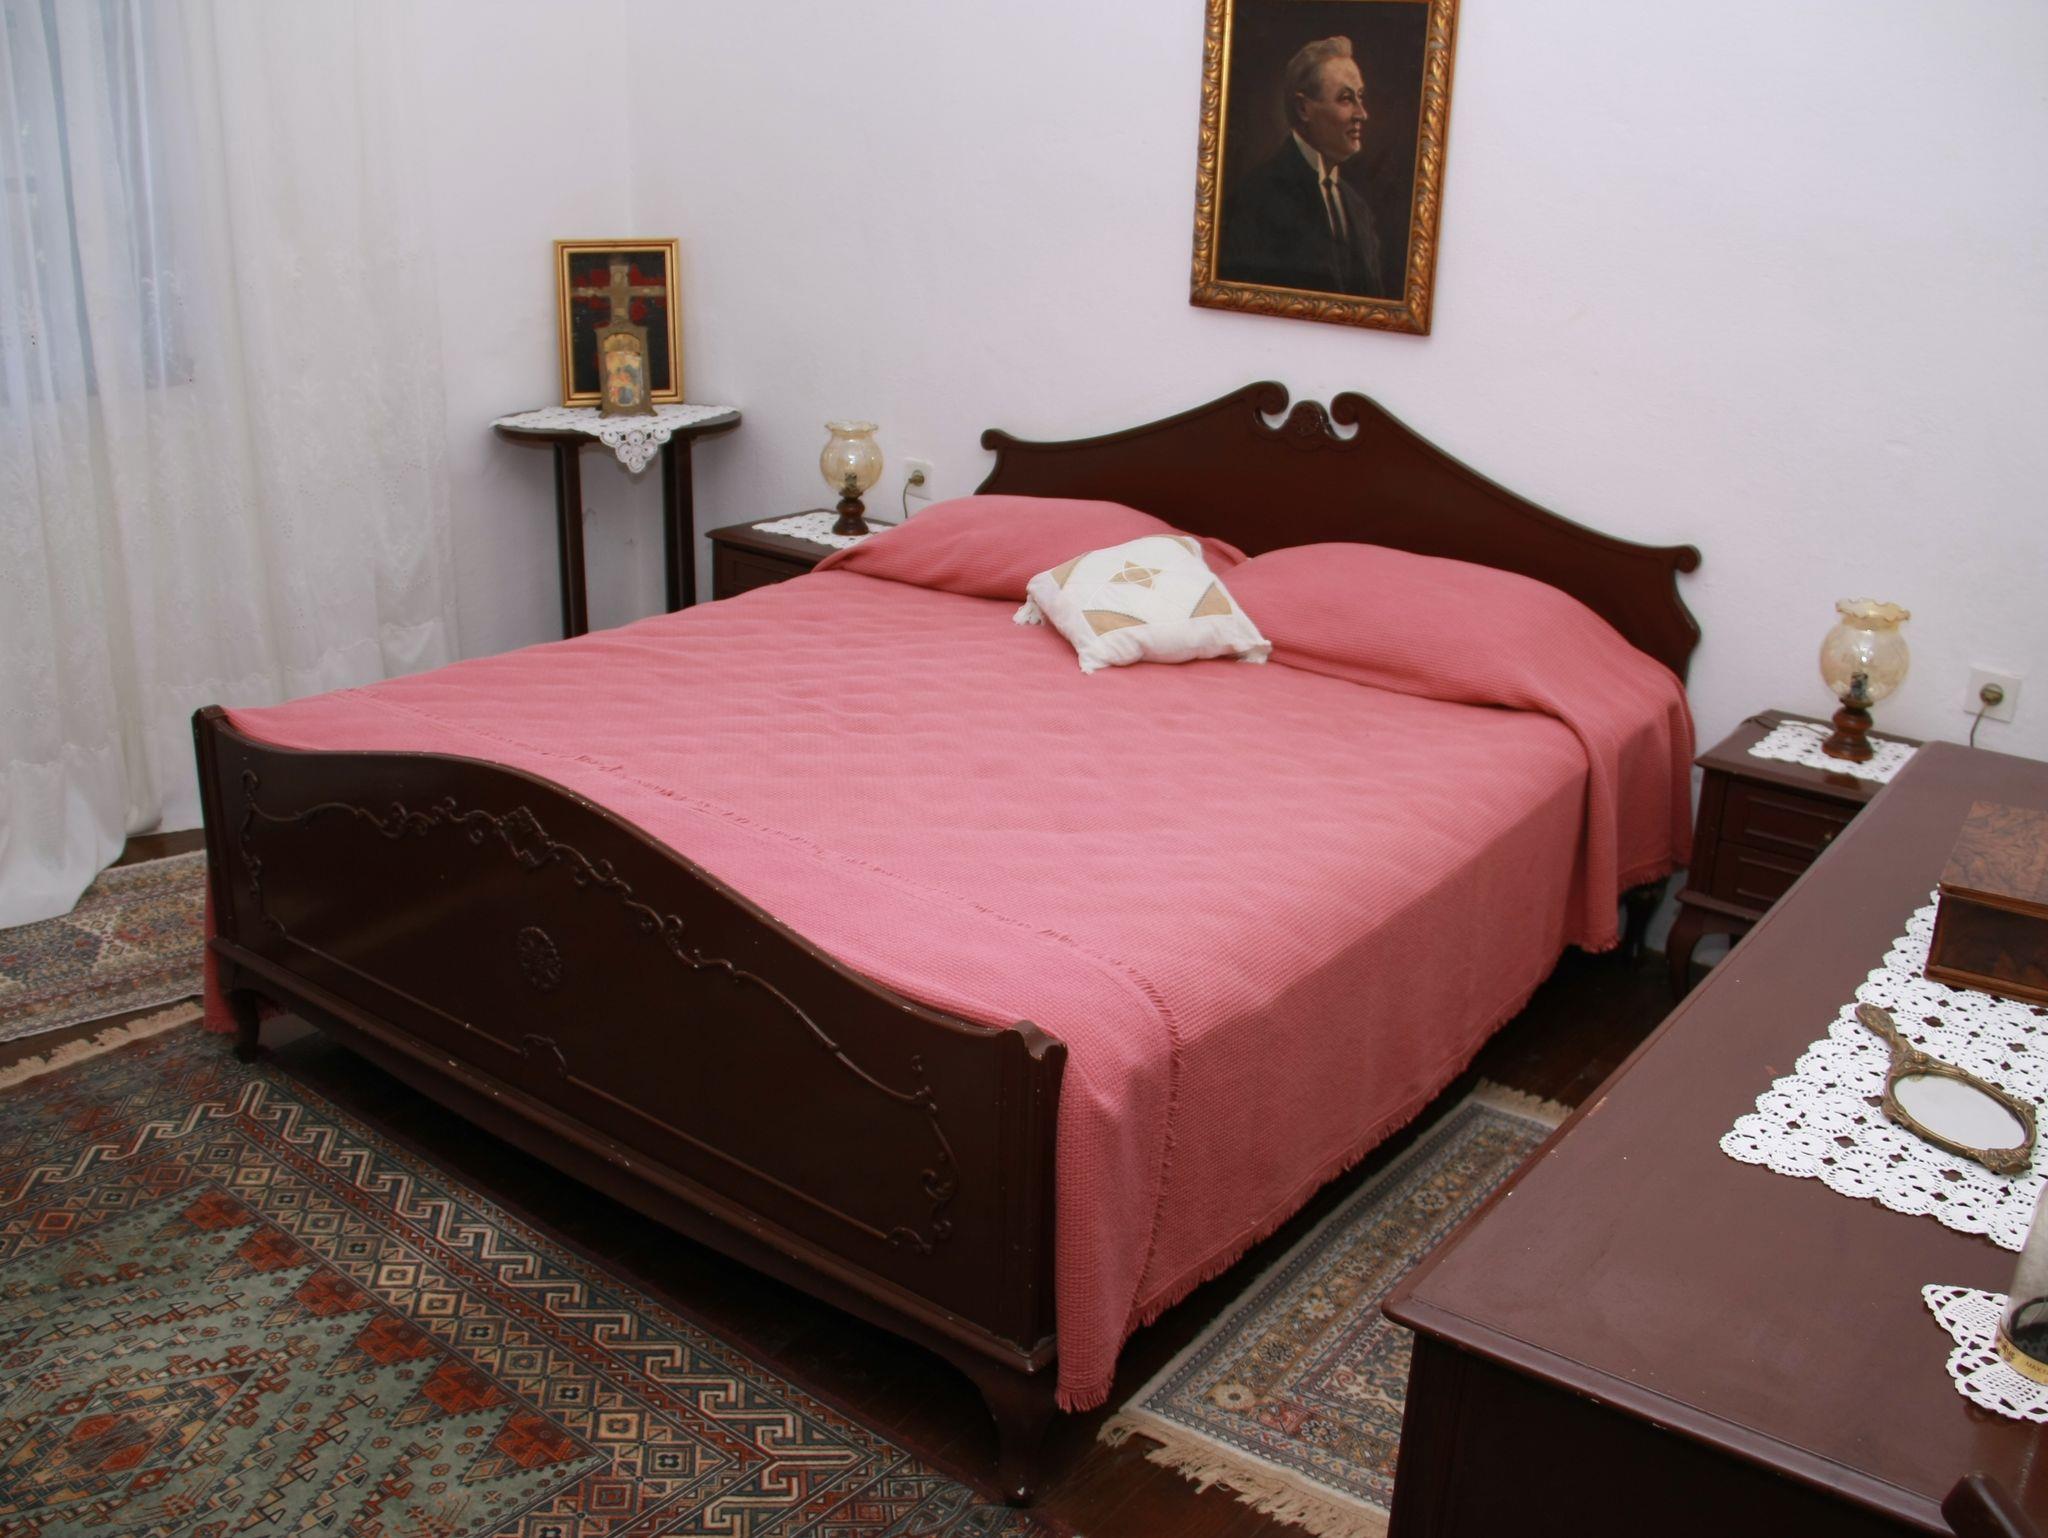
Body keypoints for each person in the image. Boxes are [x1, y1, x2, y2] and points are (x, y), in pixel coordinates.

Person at [1217, 36, 1388, 298]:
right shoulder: (1255, 199)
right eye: (1345, 99)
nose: (1361, 114)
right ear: (1303, 108)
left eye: (1360, 97)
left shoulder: (1358, 209)